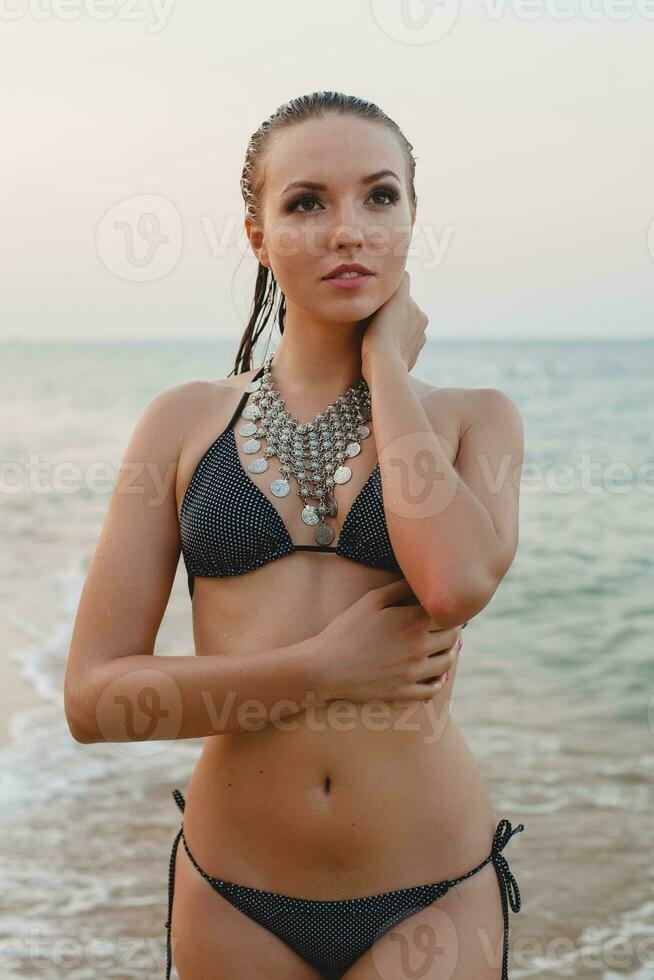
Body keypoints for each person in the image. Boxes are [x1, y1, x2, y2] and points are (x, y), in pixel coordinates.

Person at [64, 91, 526, 979]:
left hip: (431, 887)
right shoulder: (183, 422)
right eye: (307, 202)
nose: (347, 229)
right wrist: (319, 670)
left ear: (411, 218)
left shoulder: (476, 421)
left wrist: (386, 362)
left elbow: (454, 584)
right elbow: (93, 700)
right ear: (256, 234)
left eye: (379, 197)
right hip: (234, 893)